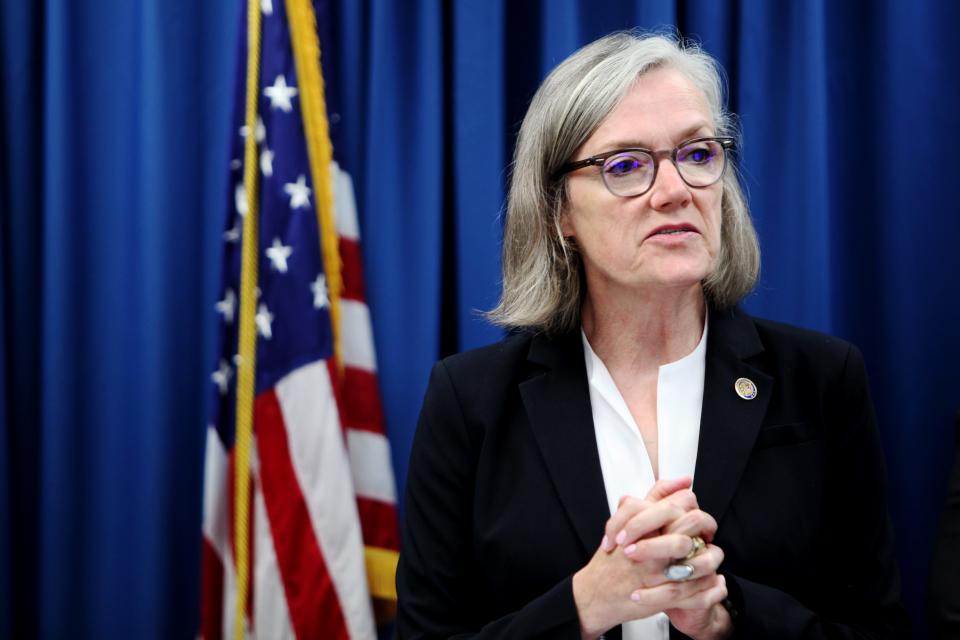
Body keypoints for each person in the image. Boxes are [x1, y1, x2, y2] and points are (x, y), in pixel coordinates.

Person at [396, 31, 910, 639]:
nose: (675, 192)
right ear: (560, 212)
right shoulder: (470, 400)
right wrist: (584, 606)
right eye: (627, 166)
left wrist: (726, 616)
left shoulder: (822, 380)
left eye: (697, 154)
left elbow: (878, 630)